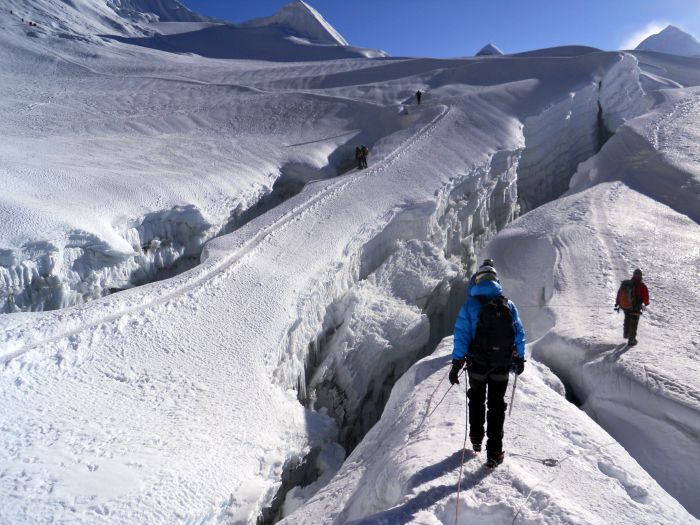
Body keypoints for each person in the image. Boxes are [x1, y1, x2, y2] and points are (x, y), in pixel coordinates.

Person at [449, 268, 526, 468]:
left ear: (478, 282)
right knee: (496, 406)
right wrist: (520, 359)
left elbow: (461, 336)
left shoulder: (470, 305)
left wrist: (456, 364)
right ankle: (494, 452)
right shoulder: (508, 304)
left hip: (477, 365)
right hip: (501, 365)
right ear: (496, 281)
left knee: (476, 399)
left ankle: (475, 438)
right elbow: (518, 333)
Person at [615, 268, 650, 346]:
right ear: (640, 276)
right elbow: (645, 297)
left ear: (633, 275)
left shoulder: (626, 284)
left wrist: (617, 303)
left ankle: (626, 334)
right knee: (634, 321)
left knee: (627, 318)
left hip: (626, 306)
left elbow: (619, 293)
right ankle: (632, 339)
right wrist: (646, 303)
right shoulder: (642, 285)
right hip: (636, 306)